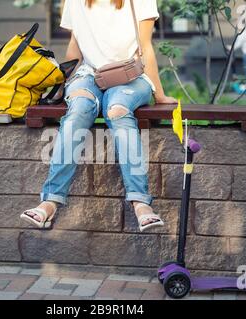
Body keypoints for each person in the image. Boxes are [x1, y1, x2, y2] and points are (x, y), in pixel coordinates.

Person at [21, 0, 177, 232]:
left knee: (117, 110)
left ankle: (140, 202)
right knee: (78, 111)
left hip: (129, 75)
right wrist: (62, 85)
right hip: (88, 74)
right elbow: (75, 45)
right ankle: (50, 200)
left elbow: (146, 46)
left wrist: (160, 94)